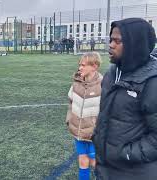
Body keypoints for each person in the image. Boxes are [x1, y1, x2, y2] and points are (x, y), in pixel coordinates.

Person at [92, 18, 157, 180]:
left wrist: (127, 154)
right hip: (106, 168)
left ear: (135, 44)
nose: (111, 45)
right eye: (110, 39)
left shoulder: (152, 82)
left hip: (135, 172)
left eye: (117, 41)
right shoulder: (112, 73)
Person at [66, 52, 103, 180]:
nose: (80, 68)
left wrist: (99, 128)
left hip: (94, 134)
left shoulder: (102, 85)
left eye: (83, 65)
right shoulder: (76, 82)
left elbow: (107, 110)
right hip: (78, 131)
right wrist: (69, 120)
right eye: (79, 65)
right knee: (82, 160)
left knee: (94, 162)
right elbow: (70, 102)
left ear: (94, 66)